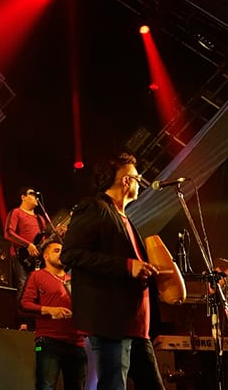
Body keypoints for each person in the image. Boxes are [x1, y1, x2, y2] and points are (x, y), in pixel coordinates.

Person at [60, 152, 165, 390]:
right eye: (138, 178)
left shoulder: (123, 217)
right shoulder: (94, 208)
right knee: (113, 385)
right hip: (113, 323)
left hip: (135, 326)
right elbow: (71, 254)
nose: (139, 184)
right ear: (127, 180)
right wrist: (127, 266)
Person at [21, 238, 86, 390]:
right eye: (56, 251)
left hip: (77, 343)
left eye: (63, 251)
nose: (61, 254)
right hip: (49, 341)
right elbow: (25, 304)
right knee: (45, 386)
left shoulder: (75, 280)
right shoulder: (37, 276)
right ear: (45, 256)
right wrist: (49, 310)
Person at [4, 187, 45, 293]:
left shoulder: (40, 219)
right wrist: (28, 245)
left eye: (36, 195)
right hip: (21, 256)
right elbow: (8, 233)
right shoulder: (16, 212)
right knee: (24, 286)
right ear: (23, 197)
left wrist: (59, 234)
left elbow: (44, 240)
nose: (36, 196)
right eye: (32, 194)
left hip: (37, 259)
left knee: (39, 290)